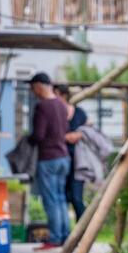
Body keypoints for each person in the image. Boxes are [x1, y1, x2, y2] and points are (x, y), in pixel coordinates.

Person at [26, 73, 73, 247]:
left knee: (50, 200)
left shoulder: (43, 107)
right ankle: (64, 235)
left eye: (32, 88)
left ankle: (54, 238)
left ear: (39, 86)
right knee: (60, 198)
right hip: (63, 157)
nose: (32, 92)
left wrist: (27, 140)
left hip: (48, 158)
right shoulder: (62, 105)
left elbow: (38, 135)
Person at [58, 85, 88, 223]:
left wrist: (79, 135)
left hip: (78, 161)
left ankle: (82, 232)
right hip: (61, 160)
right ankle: (65, 233)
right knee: (62, 197)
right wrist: (64, 137)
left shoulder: (80, 113)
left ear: (64, 96)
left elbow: (89, 132)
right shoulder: (56, 113)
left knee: (77, 198)